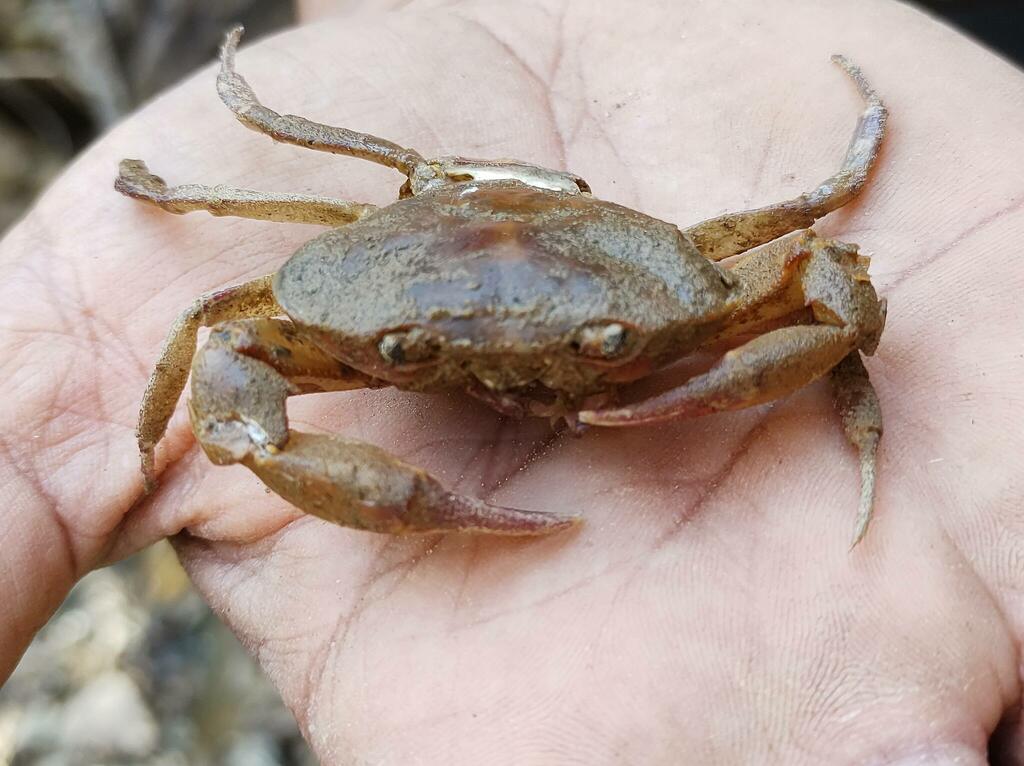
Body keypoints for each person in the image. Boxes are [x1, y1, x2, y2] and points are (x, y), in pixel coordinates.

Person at [1, 1, 1022, 762]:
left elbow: (830, 274)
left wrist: (700, 389)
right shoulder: (289, 310)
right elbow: (213, 344)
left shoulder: (714, 275)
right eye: (408, 354)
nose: (497, 380)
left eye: (609, 343)